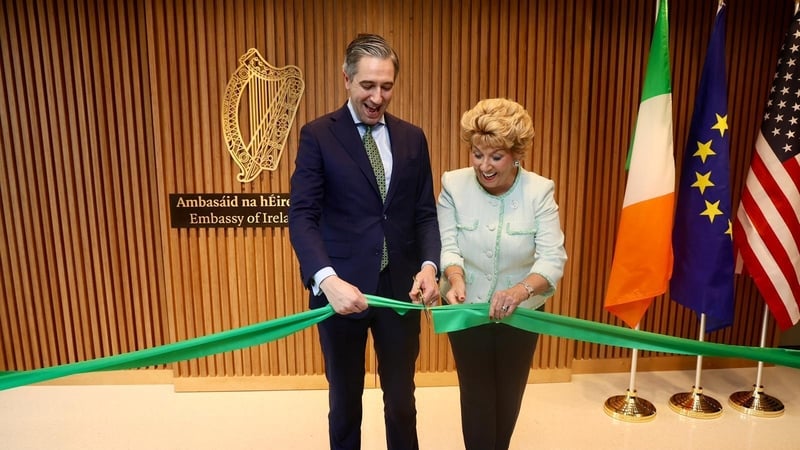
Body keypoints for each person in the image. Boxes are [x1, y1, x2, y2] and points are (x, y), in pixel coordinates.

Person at [288, 33, 441, 450]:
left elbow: (425, 213)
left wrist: (430, 267)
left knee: (402, 403)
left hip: (400, 294)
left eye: (386, 86)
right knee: (344, 403)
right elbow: (302, 216)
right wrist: (326, 280)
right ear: (346, 79)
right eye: (367, 85)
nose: (377, 97)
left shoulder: (413, 138)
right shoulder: (318, 135)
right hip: (341, 293)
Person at [437, 98, 567, 450]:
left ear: (516, 155)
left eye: (496, 156)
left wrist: (519, 291)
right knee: (477, 396)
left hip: (522, 314)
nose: (484, 165)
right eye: (477, 154)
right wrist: (456, 277)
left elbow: (553, 259)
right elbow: (448, 246)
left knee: (509, 396)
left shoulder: (540, 191)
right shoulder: (453, 185)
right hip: (468, 309)